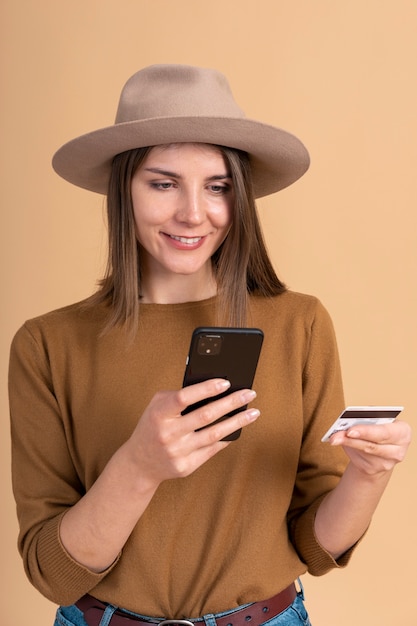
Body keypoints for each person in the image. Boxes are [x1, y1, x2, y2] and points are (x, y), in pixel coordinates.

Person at [8, 64, 411, 626]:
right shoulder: (47, 345)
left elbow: (316, 546)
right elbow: (55, 573)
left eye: (217, 187)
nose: (193, 214)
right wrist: (139, 467)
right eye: (163, 183)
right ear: (123, 188)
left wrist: (368, 477)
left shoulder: (301, 324)